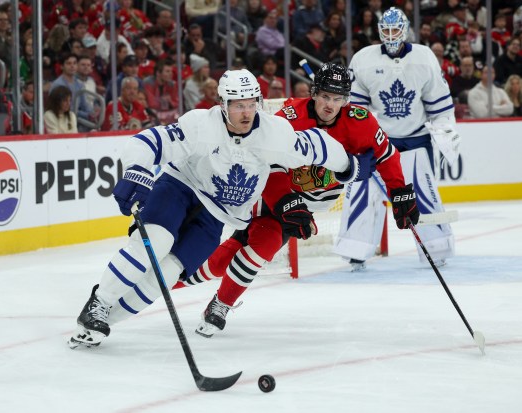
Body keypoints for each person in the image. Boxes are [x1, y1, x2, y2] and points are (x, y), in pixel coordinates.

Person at [68, 68, 372, 348]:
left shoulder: (273, 133)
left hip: (220, 214)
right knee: (155, 242)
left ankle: (102, 322)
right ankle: (99, 302)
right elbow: (151, 141)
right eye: (238, 105)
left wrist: (349, 166)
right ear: (223, 104)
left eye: (252, 103)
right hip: (181, 188)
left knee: (169, 272)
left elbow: (316, 144)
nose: (246, 111)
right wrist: (136, 171)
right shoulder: (201, 124)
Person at [176, 63, 417, 338]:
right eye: (325, 96)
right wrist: (286, 202)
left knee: (234, 253)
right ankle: (213, 301)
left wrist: (401, 194)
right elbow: (268, 163)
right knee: (260, 244)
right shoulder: (288, 117)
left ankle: (179, 284)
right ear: (314, 93)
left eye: (337, 99)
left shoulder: (361, 122)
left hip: (307, 204)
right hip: (270, 193)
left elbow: (386, 155)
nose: (329, 105)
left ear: (346, 100)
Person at [336, 7, 459, 271]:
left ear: (405, 30)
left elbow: (439, 102)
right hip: (381, 140)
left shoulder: (424, 57)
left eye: (395, 30)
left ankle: (436, 248)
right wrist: (357, 136)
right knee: (363, 189)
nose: (391, 35)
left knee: (422, 193)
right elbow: (356, 107)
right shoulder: (363, 59)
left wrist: (445, 129)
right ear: (379, 31)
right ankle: (355, 248)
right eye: (386, 30)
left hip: (416, 138)